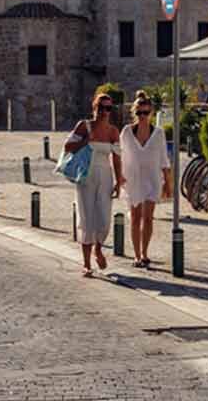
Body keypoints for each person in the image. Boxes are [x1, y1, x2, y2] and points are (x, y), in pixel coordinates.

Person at [64, 92, 124, 277]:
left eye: (108, 108)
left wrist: (118, 181)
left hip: (105, 175)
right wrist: (84, 141)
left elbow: (117, 158)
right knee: (86, 217)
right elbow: (67, 147)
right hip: (86, 175)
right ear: (94, 107)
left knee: (104, 219)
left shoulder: (113, 131)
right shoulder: (84, 126)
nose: (104, 111)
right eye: (100, 107)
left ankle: (99, 248)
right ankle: (87, 263)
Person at [119, 91, 171, 268]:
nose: (143, 116)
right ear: (135, 113)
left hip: (152, 180)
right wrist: (119, 178)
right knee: (135, 217)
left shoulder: (158, 134)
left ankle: (144, 253)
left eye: (146, 113)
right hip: (132, 180)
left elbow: (164, 159)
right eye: (140, 113)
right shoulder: (126, 132)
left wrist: (168, 184)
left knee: (148, 218)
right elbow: (119, 155)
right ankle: (136, 255)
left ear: (151, 113)